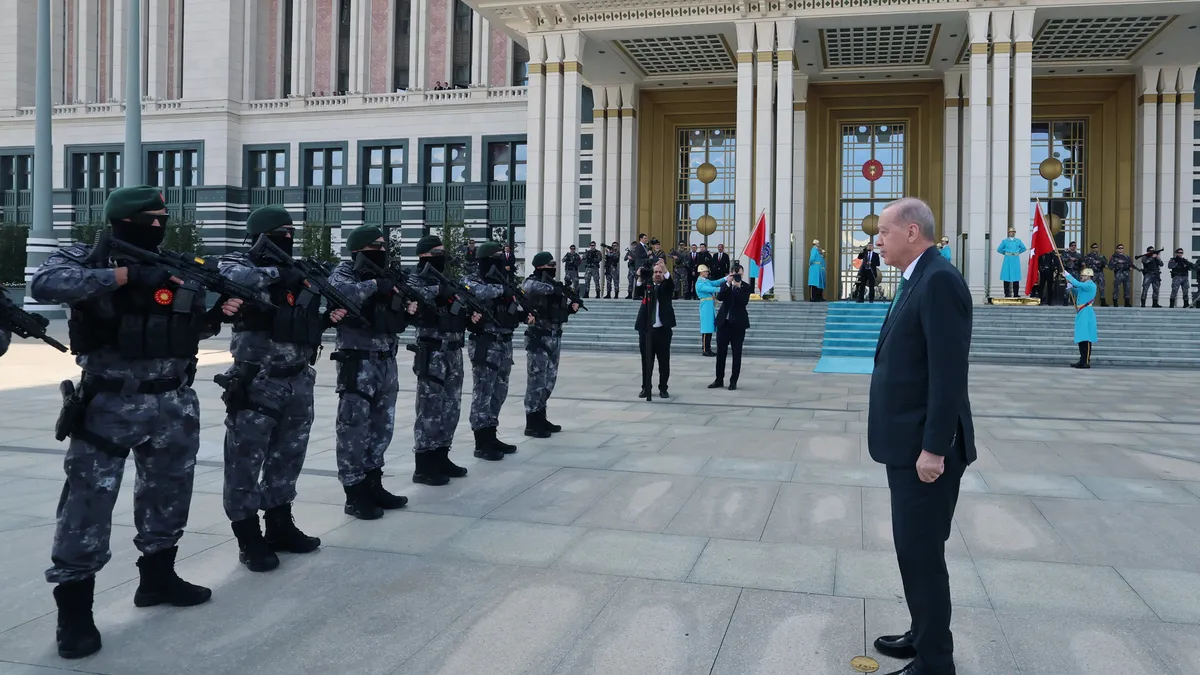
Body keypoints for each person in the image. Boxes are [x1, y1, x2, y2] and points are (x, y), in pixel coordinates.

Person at [32, 186, 244, 659]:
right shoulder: (84, 256)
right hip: (109, 401)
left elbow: (183, 326)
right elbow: (45, 285)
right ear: (123, 221)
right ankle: (75, 612)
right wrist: (126, 274)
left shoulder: (173, 263)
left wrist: (217, 314)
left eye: (163, 218)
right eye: (151, 218)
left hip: (173, 399)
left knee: (169, 492)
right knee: (88, 504)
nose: (159, 225)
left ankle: (158, 577)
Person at [868, 197, 976, 675]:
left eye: (884, 232)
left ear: (912, 232)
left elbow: (948, 375)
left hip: (925, 451)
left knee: (922, 554)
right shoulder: (919, 278)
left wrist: (934, 448)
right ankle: (922, 632)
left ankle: (935, 662)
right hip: (907, 443)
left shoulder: (939, 281)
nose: (878, 241)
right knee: (913, 550)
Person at [218, 206, 336, 572]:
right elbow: (229, 277)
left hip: (298, 375)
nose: (289, 237)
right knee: (245, 460)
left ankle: (280, 523)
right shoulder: (238, 262)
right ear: (262, 235)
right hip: (259, 378)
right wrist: (278, 272)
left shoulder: (298, 270)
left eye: (290, 231)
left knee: (288, 456)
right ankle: (248, 535)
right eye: (281, 232)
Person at [327, 225, 416, 520]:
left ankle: (374, 483)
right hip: (357, 362)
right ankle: (354, 494)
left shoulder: (387, 275)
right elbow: (340, 293)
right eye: (375, 246)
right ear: (358, 250)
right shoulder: (345, 273)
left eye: (383, 246)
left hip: (386, 361)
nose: (381, 250)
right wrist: (375, 285)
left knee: (382, 427)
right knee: (354, 428)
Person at [406, 234, 482, 486]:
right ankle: (424, 464)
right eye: (437, 253)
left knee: (451, 407)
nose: (442, 257)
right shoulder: (415, 279)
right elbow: (414, 294)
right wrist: (438, 290)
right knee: (430, 408)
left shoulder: (447, 280)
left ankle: (441, 455)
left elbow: (459, 304)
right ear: (423, 255)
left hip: (453, 350)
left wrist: (469, 315)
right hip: (432, 351)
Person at [463, 242, 534, 452]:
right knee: (483, 392)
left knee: (499, 391)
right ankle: (481, 440)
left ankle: (491, 434)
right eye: (496, 257)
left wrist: (521, 314)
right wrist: (503, 289)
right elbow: (479, 292)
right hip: (485, 342)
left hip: (504, 342)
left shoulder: (504, 282)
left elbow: (508, 308)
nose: (501, 261)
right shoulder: (472, 280)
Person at [522, 252, 579, 433]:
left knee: (549, 380)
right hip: (538, 336)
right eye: (549, 265)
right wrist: (554, 289)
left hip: (555, 335)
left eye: (554, 265)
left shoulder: (554, 286)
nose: (553, 268)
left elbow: (557, 310)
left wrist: (570, 308)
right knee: (536, 381)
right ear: (540, 267)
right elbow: (528, 288)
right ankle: (532, 422)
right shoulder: (531, 282)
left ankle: (541, 416)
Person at [634, 258, 675, 400]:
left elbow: (670, 283)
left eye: (660, 272)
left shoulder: (666, 287)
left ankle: (663, 388)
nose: (657, 274)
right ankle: (646, 388)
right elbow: (637, 291)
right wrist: (639, 276)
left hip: (662, 330)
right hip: (646, 330)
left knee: (664, 361)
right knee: (646, 361)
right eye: (655, 272)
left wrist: (664, 268)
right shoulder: (648, 286)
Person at [709, 264, 752, 391]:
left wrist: (738, 288)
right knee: (721, 353)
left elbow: (743, 302)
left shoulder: (746, 286)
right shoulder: (725, 284)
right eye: (735, 273)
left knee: (736, 353)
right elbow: (720, 297)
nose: (737, 276)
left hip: (738, 325)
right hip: (724, 323)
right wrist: (728, 284)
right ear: (731, 273)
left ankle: (733, 381)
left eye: (740, 274)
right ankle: (718, 379)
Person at [1065, 268, 1098, 369]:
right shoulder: (1084, 286)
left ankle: (1086, 361)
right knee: (1081, 337)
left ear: (1088, 276)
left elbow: (1079, 284)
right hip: (1082, 312)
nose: (1082, 277)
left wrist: (1068, 276)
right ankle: (1082, 360)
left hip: (1087, 311)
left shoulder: (1090, 285)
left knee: (1086, 337)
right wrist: (1070, 287)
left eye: (1083, 276)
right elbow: (1077, 291)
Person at [695, 264, 721, 357]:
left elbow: (716, 282)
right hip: (705, 306)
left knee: (709, 328)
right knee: (706, 329)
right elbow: (710, 288)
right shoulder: (699, 283)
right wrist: (722, 289)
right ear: (701, 272)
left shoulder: (706, 281)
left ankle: (708, 348)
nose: (707, 273)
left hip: (709, 306)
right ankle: (705, 349)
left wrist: (726, 278)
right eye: (706, 271)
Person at [996, 228, 1026, 298]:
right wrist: (1006, 253)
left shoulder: (1018, 241)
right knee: (1006, 277)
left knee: (1016, 277)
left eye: (1013, 232)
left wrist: (1017, 252)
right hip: (1008, 260)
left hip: (1015, 259)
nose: (1012, 233)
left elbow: (1023, 248)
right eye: (1011, 232)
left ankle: (1016, 294)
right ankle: (1007, 293)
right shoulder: (1005, 241)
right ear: (1008, 233)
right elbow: (999, 249)